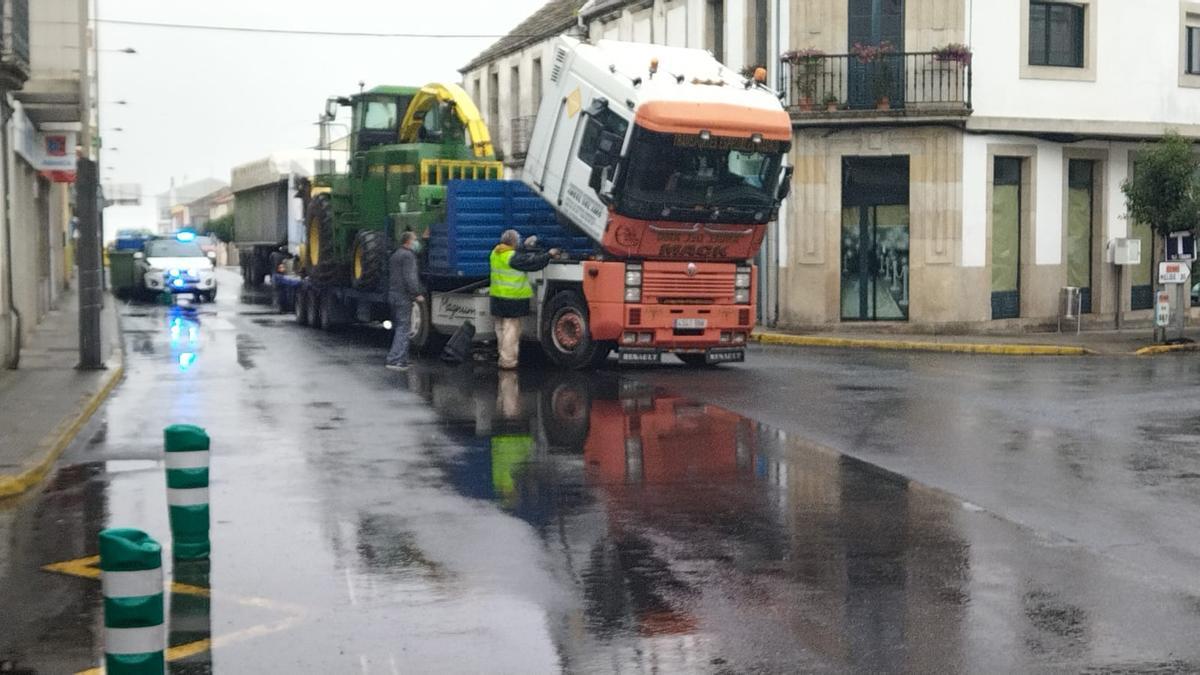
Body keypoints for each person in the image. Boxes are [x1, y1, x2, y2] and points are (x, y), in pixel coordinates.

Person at [489, 231, 559, 369]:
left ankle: (502, 357)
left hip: (497, 298)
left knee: (501, 330)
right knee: (511, 331)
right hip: (512, 299)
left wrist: (526, 244)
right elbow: (532, 263)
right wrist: (549, 254)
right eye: (518, 241)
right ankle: (508, 362)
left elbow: (516, 255)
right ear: (513, 243)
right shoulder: (513, 257)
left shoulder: (495, 253)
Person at [386, 231, 425, 371]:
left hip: (394, 295)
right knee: (403, 328)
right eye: (415, 239)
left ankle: (402, 359)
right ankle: (394, 359)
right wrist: (417, 293)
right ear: (408, 241)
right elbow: (410, 277)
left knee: (400, 327)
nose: (416, 242)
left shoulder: (395, 255)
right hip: (403, 297)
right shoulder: (408, 256)